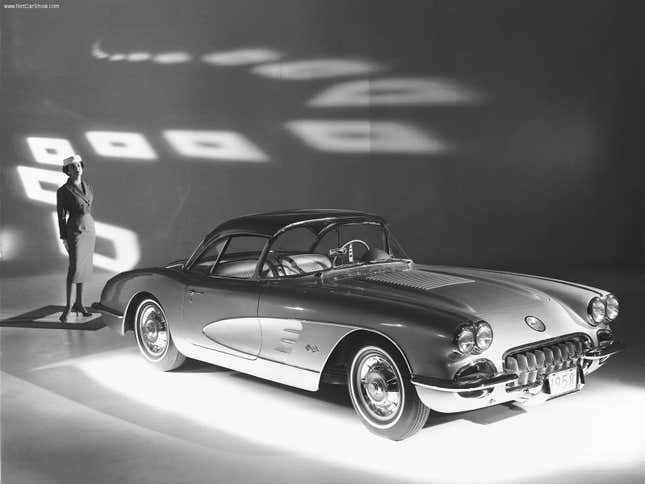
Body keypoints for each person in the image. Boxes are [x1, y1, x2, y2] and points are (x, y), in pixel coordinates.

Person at [56, 154, 96, 322]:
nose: (77, 168)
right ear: (68, 171)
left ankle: (79, 304)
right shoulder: (63, 191)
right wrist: (64, 237)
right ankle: (67, 307)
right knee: (74, 268)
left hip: (89, 228)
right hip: (75, 230)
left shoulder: (88, 186)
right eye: (73, 167)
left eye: (79, 165)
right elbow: (61, 216)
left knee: (84, 267)